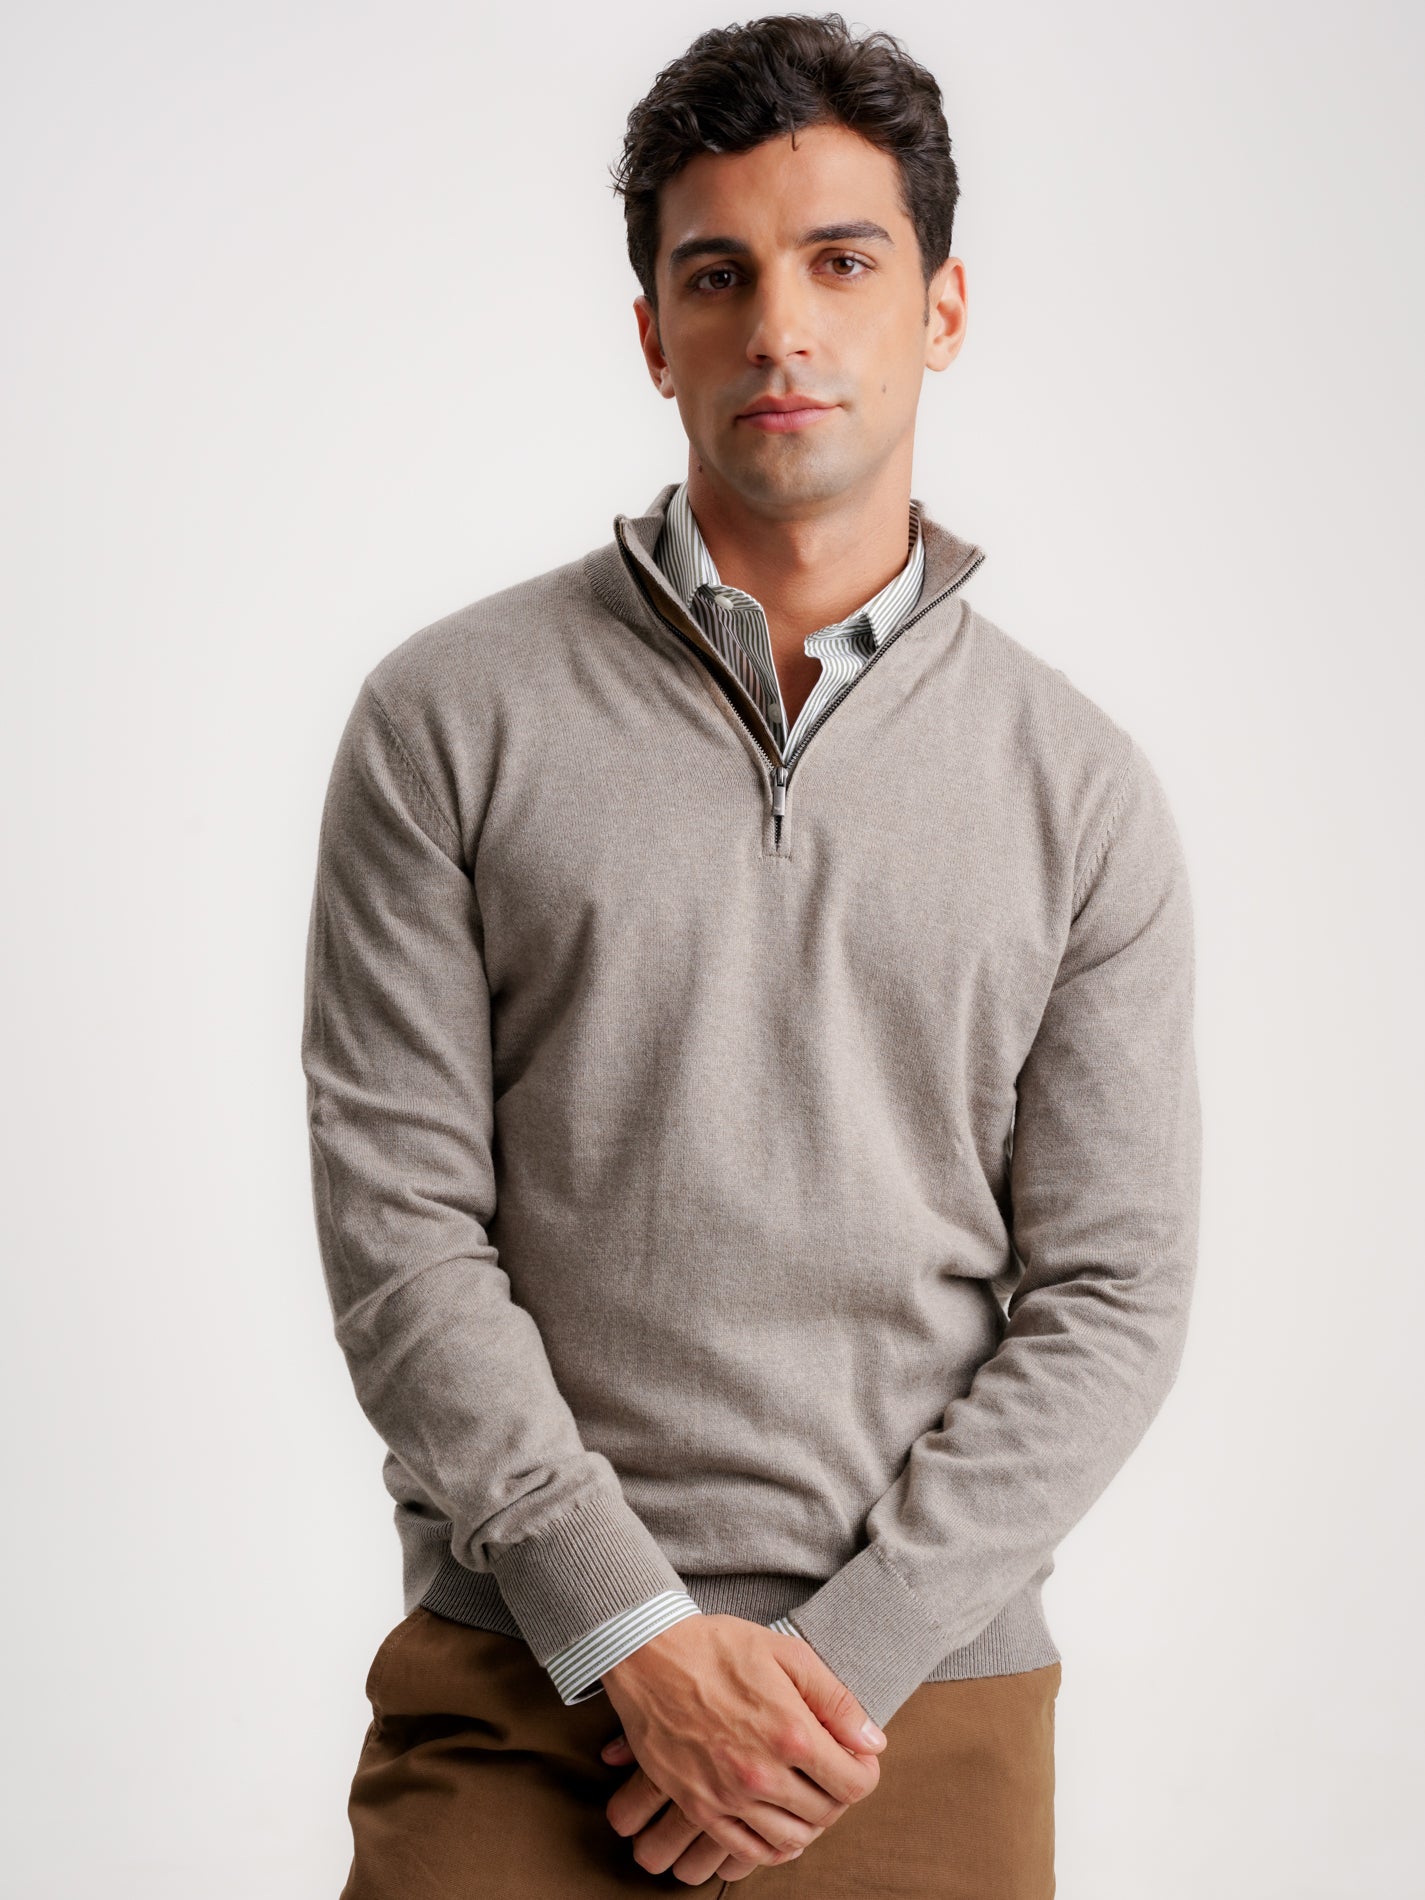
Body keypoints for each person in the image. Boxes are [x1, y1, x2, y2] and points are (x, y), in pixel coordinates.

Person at [300, 13, 1202, 1897]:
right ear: (654, 333)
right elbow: (401, 1231)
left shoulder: (1080, 789)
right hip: (524, 1677)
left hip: (916, 1708)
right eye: (717, 276)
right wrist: (629, 1632)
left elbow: (1110, 1296)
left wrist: (829, 1672)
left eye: (840, 262)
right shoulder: (446, 719)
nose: (780, 327)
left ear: (941, 309)